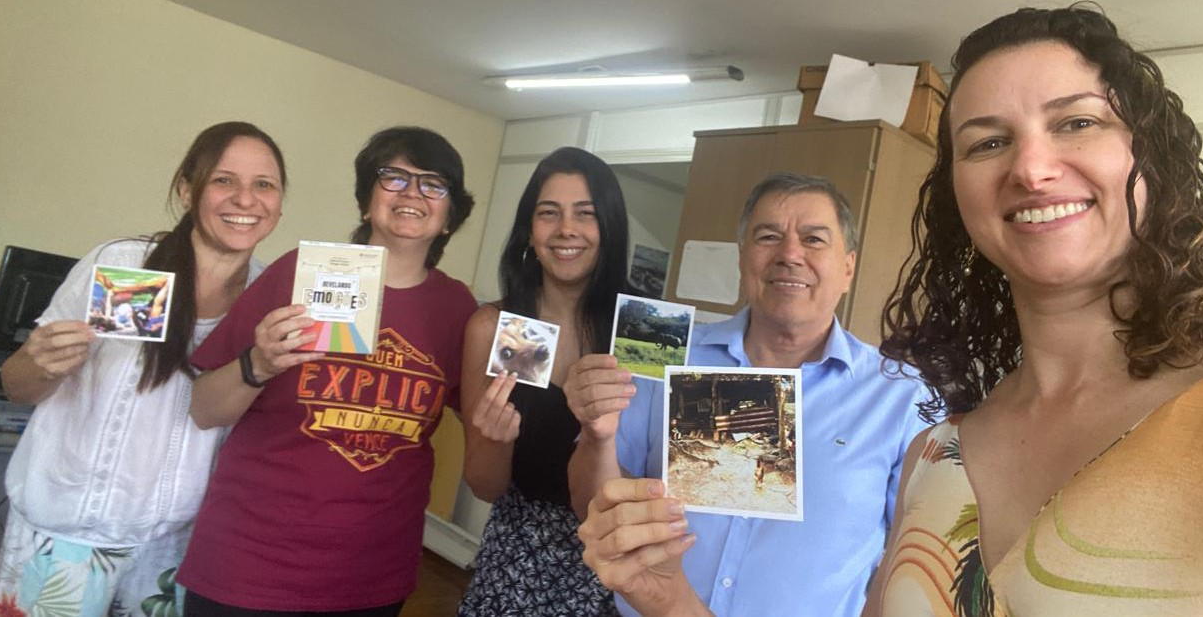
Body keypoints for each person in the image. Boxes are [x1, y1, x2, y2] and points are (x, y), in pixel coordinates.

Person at [864, 6, 1203, 617]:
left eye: (1078, 122)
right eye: (988, 143)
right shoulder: (931, 455)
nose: (1030, 170)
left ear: (1151, 160)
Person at [570, 173, 929, 617]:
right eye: (768, 236)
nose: (790, 254)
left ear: (848, 268)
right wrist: (596, 435)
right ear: (743, 258)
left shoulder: (902, 396)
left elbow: (909, 568)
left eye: (814, 239)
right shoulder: (665, 353)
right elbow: (592, 506)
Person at [177, 126, 478, 616]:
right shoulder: (300, 273)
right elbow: (203, 409)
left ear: (450, 216)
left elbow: (480, 421)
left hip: (371, 575)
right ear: (366, 202)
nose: (412, 193)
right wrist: (258, 364)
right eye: (394, 177)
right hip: (248, 563)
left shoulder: (458, 308)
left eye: (433, 184)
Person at [0, 121, 287, 616]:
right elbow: (18, 386)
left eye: (264, 184)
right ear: (187, 189)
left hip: (177, 547)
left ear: (279, 203)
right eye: (223, 180)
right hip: (69, 533)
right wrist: (41, 363)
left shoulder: (269, 298)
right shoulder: (129, 265)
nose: (246, 199)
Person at [456, 147, 626, 616]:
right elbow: (485, 486)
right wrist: (495, 440)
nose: (566, 229)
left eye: (585, 213)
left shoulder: (639, 329)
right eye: (549, 213)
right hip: (519, 557)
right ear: (529, 230)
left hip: (615, 556)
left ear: (609, 227)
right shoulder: (503, 328)